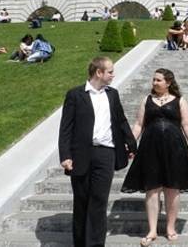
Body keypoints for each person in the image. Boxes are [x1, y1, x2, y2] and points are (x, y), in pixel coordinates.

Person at [58, 57, 137, 247]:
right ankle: (80, 242)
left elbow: (121, 121)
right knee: (82, 200)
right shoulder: (75, 95)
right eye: (110, 71)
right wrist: (65, 155)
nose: (113, 75)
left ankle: (95, 244)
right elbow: (66, 128)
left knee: (99, 201)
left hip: (106, 154)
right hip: (81, 154)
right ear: (98, 72)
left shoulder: (113, 94)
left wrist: (131, 144)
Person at [121, 68, 188, 245]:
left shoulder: (180, 100)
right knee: (152, 189)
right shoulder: (146, 100)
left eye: (158, 80)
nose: (154, 83)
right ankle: (152, 230)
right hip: (150, 148)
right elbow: (139, 124)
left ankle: (170, 227)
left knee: (172, 189)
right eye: (153, 80)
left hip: (175, 149)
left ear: (168, 83)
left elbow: (186, 124)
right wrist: (131, 143)